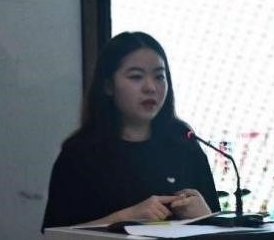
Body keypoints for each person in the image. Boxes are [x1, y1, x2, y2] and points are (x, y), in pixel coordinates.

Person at [42, 32, 220, 230]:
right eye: (136, 77)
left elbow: (221, 229)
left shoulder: (183, 142)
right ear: (108, 86)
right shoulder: (79, 154)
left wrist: (206, 216)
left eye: (159, 77)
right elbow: (55, 234)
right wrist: (126, 217)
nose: (150, 87)